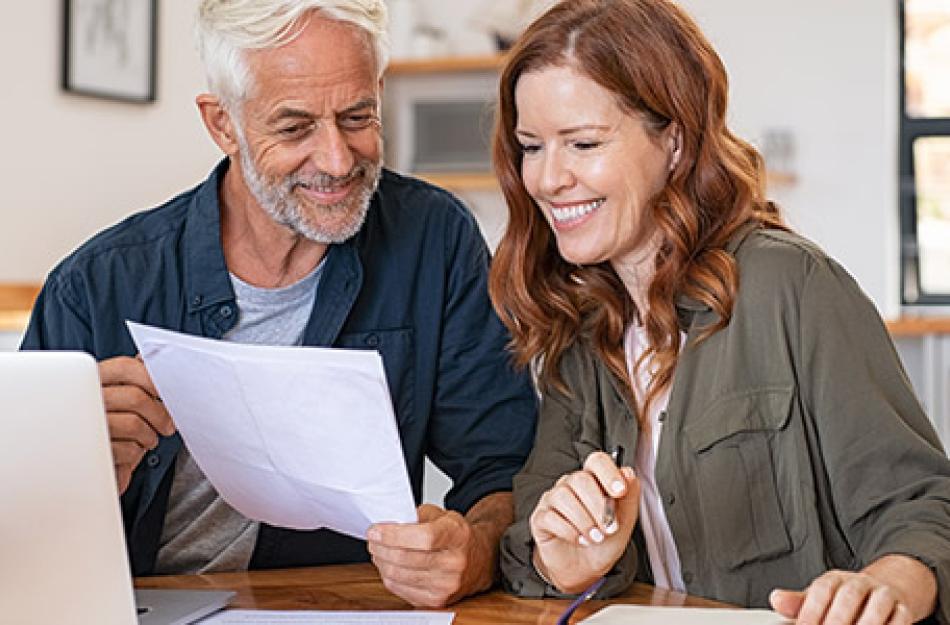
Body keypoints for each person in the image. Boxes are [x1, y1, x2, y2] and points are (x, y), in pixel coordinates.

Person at [21, 0, 537, 608]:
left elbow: (505, 469)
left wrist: (472, 551)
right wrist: (74, 474)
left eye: (357, 116)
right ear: (222, 125)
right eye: (294, 128)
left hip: (332, 609)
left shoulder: (433, 239)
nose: (338, 161)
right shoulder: (95, 285)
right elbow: (20, 529)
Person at [488, 1, 950, 623]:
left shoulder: (792, 285)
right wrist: (563, 563)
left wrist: (895, 579)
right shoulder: (581, 329)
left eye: (583, 143)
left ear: (673, 142)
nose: (547, 178)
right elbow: (526, 546)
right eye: (532, 146)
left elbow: (921, 505)